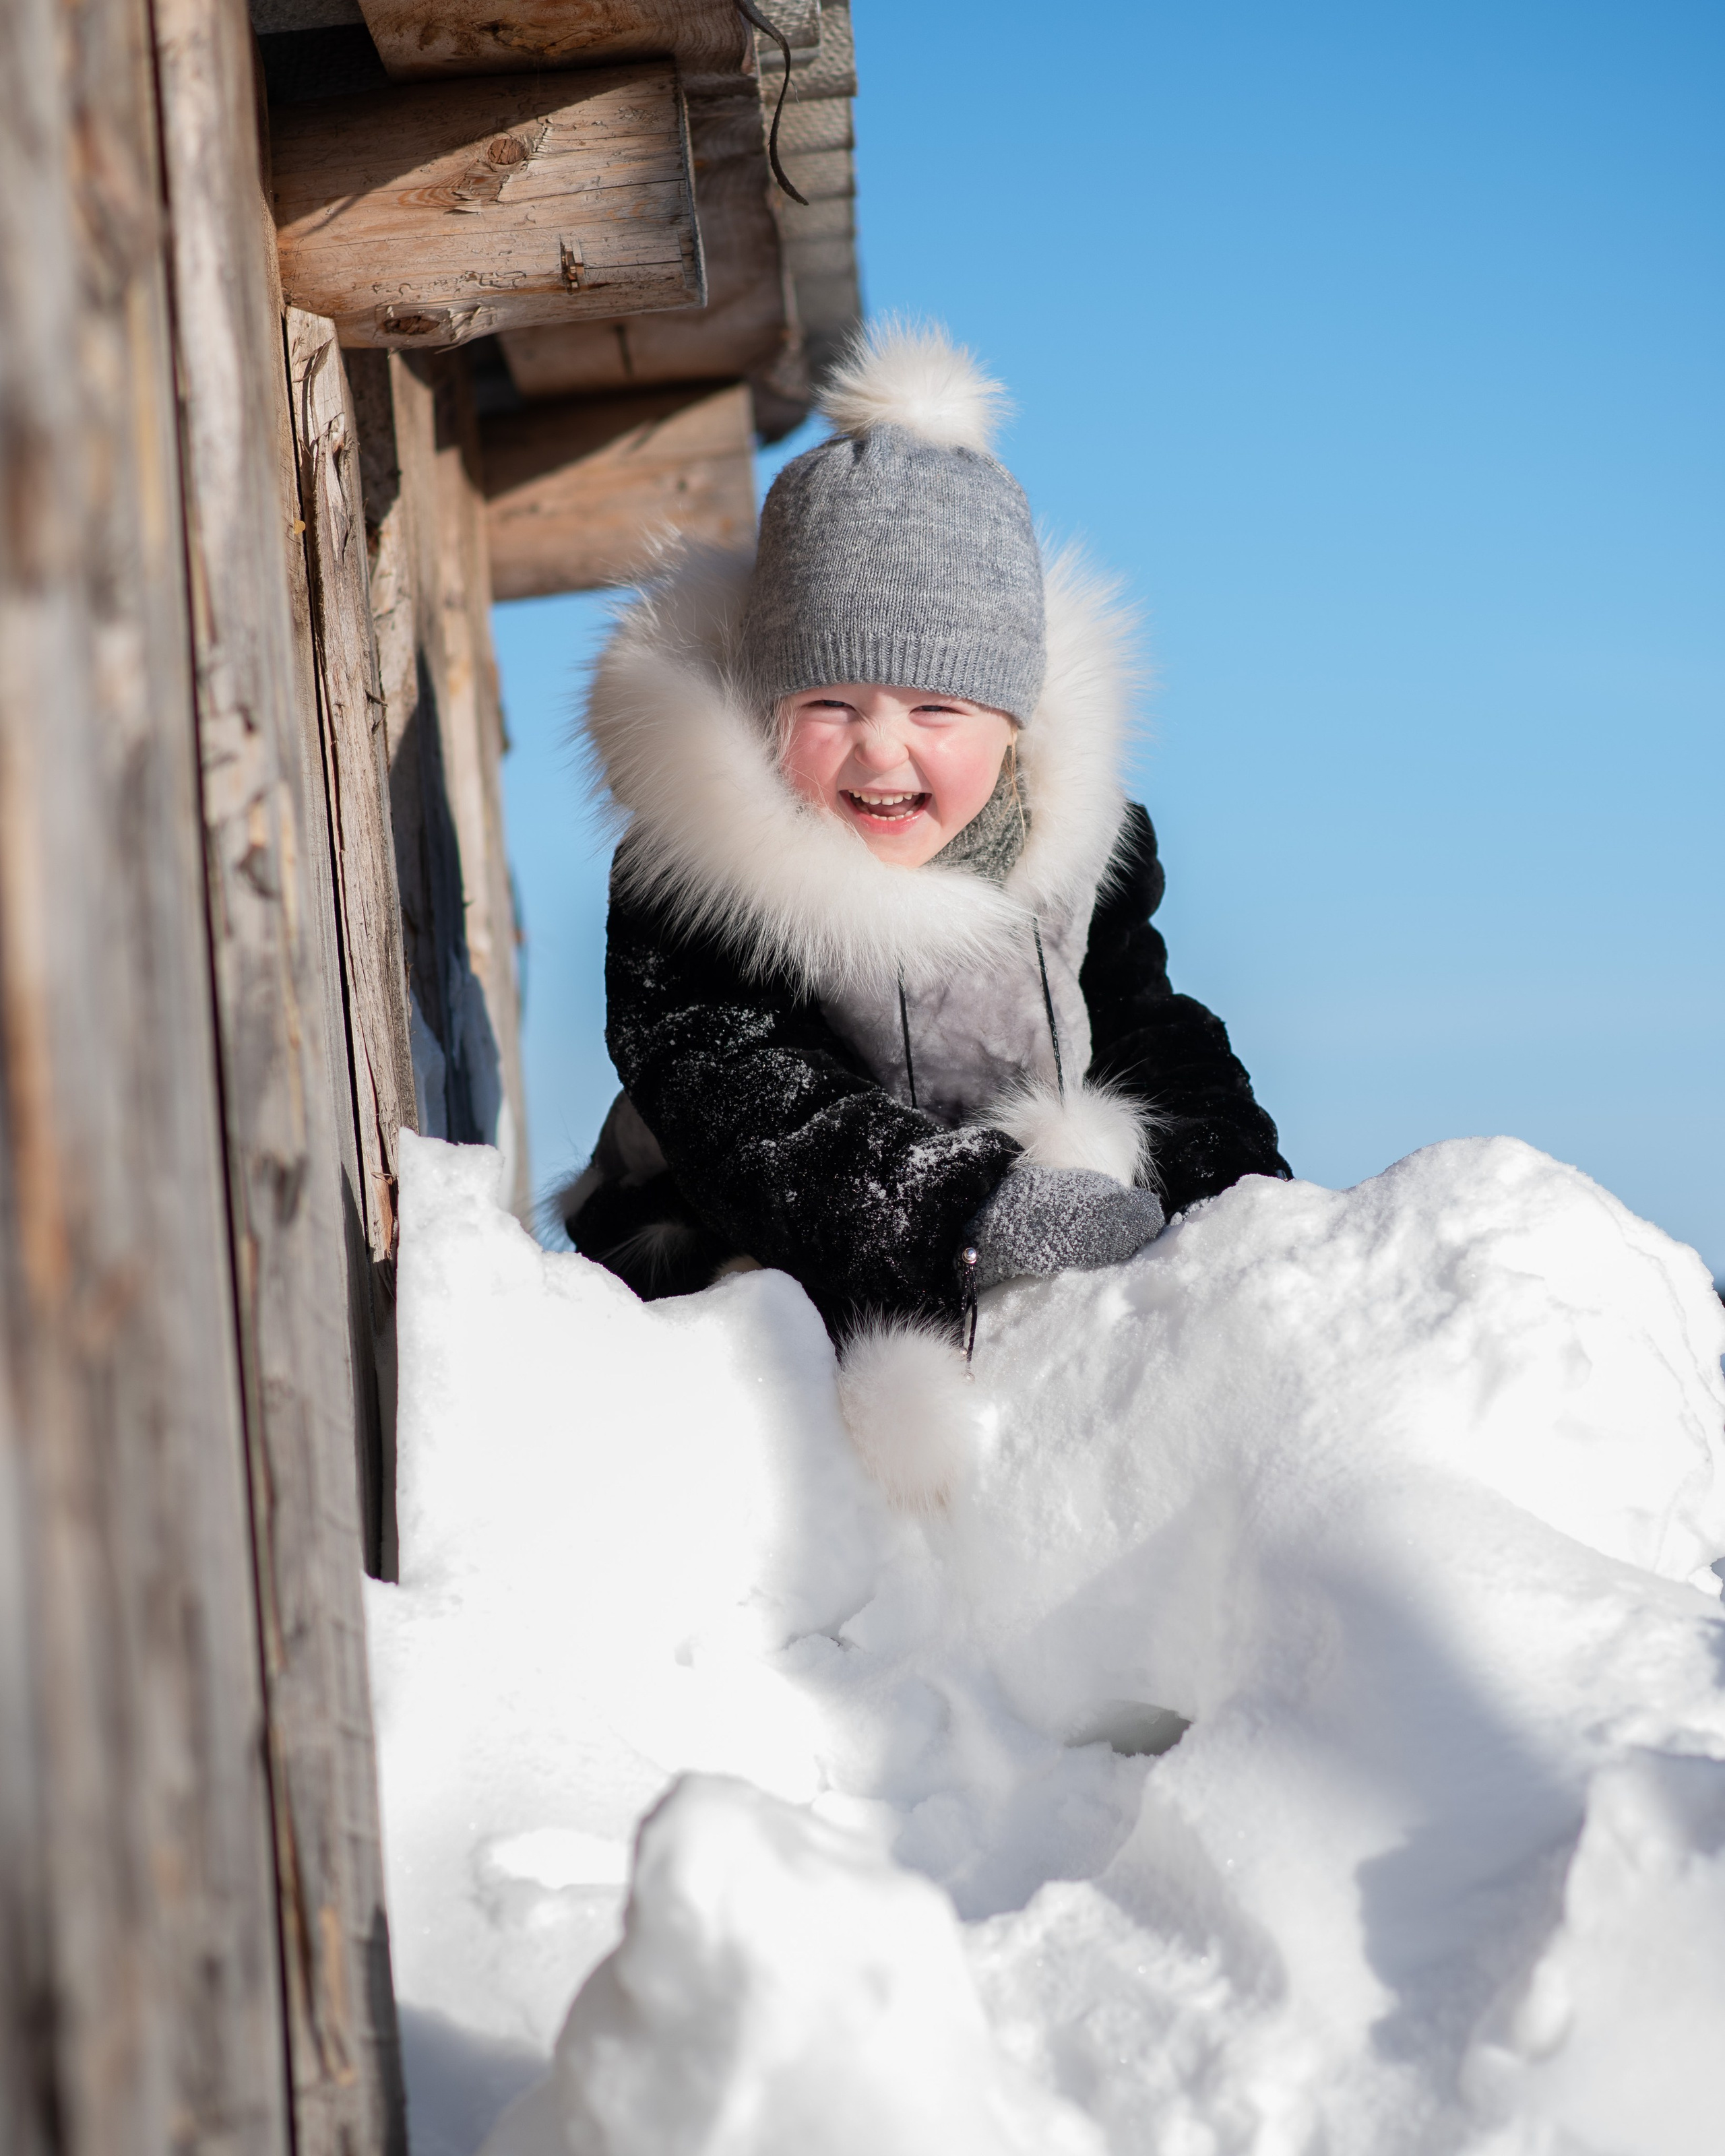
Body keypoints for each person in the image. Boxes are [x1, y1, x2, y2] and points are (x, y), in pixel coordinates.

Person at [563, 324, 1287, 1502]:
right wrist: (968, 1204)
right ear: (762, 704)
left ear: (1013, 728)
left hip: (1007, 1274)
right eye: (831, 700)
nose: (882, 749)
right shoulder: (704, 879)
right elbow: (727, 1084)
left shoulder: (1069, 861)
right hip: (740, 1257)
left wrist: (1233, 1195)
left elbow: (1151, 1028)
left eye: (938, 707)